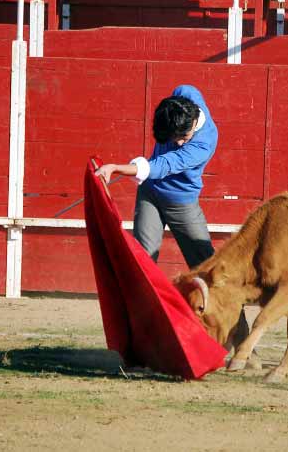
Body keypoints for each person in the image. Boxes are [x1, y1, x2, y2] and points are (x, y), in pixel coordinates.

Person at [95, 85, 256, 365]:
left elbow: (163, 165)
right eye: (174, 137)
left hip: (182, 204)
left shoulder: (205, 142)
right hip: (149, 195)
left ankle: (243, 343)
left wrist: (119, 168)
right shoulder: (184, 95)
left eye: (183, 137)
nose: (179, 142)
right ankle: (140, 345)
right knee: (141, 264)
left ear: (194, 124)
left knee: (213, 272)